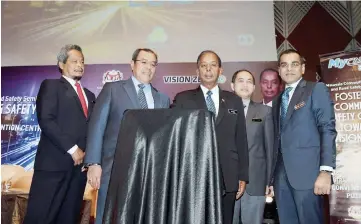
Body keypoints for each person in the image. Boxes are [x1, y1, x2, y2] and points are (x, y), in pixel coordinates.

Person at [83, 48, 170, 224]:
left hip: (149, 172)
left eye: (153, 64)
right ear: (132, 64)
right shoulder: (113, 89)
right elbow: (97, 126)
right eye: (143, 62)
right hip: (113, 168)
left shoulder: (163, 99)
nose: (148, 68)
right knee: (108, 216)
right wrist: (94, 163)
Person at [172, 50, 249, 224]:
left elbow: (241, 139)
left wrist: (242, 175)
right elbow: (175, 138)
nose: (208, 69)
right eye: (203, 65)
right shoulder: (182, 99)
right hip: (193, 176)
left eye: (213, 65)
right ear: (197, 71)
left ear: (220, 70)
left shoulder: (234, 101)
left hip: (228, 176)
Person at [24, 44, 96, 224]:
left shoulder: (90, 94)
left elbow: (93, 127)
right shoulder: (51, 85)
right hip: (53, 168)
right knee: (41, 217)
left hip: (79, 171)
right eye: (74, 61)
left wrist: (91, 157)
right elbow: (46, 120)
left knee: (69, 218)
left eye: (82, 61)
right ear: (61, 64)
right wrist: (73, 150)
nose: (80, 65)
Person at [270, 49, 336, 224]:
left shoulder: (315, 89)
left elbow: (327, 129)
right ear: (279, 70)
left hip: (309, 176)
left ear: (303, 68)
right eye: (284, 64)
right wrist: (271, 179)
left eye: (294, 64)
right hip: (281, 178)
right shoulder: (277, 100)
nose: (289, 69)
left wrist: (325, 171)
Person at [231, 70, 273, 224]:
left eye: (249, 81)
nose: (245, 84)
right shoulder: (221, 111)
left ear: (254, 87)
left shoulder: (265, 112)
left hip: (256, 181)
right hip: (228, 182)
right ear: (232, 85)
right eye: (240, 80)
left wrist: (270, 180)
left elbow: (269, 148)